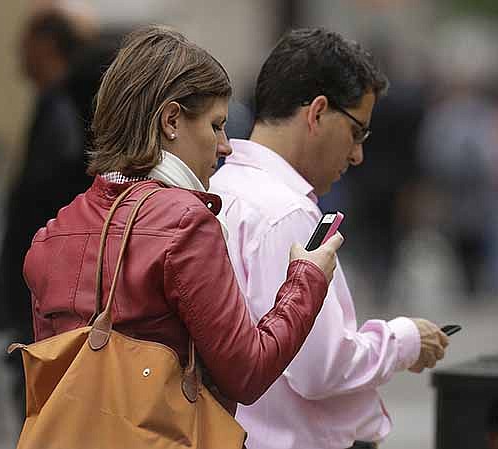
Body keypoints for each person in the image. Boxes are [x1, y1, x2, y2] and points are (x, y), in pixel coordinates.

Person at [21, 25, 342, 421]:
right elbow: (247, 372)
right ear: (171, 120)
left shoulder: (54, 232)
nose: (225, 146)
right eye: (216, 125)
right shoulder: (186, 224)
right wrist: (306, 280)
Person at [210, 28, 449, 449]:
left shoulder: (221, 189)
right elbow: (318, 366)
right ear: (318, 112)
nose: (357, 155)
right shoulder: (284, 211)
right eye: (357, 132)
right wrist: (403, 340)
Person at [0, 4, 95, 423]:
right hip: (45, 293)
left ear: (46, 46)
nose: (17, 56)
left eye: (24, 46)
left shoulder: (62, 109)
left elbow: (44, 204)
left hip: (44, 296)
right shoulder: (61, 105)